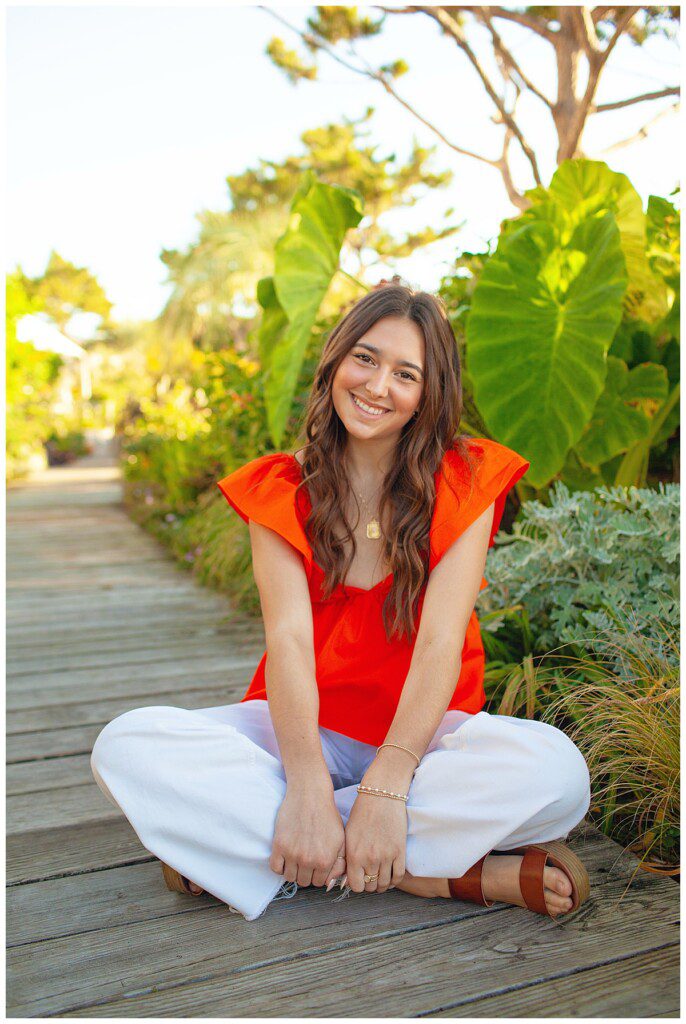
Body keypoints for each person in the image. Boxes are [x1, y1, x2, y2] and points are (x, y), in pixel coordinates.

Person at [90, 281, 592, 923]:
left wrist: (387, 784)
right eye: (366, 358)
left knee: (558, 776)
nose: (378, 386)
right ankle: (428, 873)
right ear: (335, 361)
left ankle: (272, 843)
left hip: (426, 738)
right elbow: (289, 644)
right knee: (125, 745)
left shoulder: (465, 481)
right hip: (304, 733)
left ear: (427, 393)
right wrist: (305, 785)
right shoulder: (282, 488)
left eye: (405, 373)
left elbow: (440, 643)